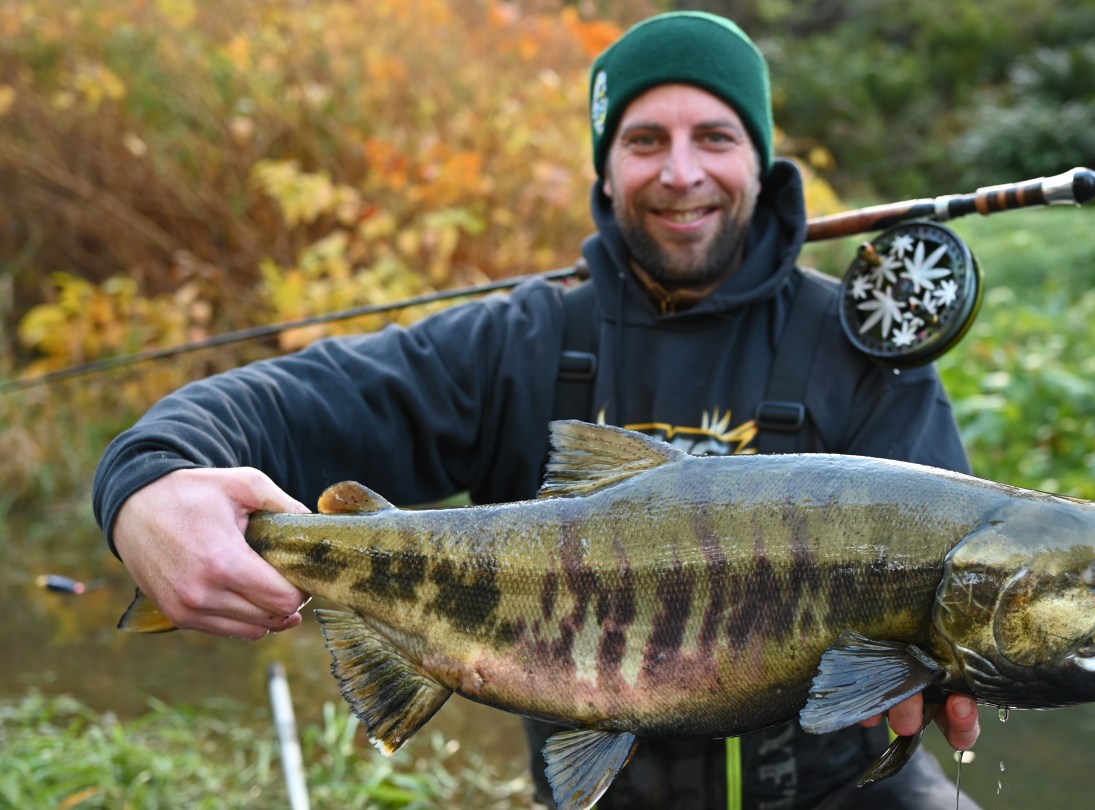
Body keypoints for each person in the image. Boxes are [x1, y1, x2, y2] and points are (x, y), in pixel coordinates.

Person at [93, 11, 982, 809]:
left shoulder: (863, 354)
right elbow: (277, 407)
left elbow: (962, 570)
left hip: (848, 789)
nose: (681, 172)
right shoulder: (518, 342)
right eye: (644, 140)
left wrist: (961, 667)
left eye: (714, 135)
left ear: (759, 157)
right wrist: (148, 481)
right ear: (606, 165)